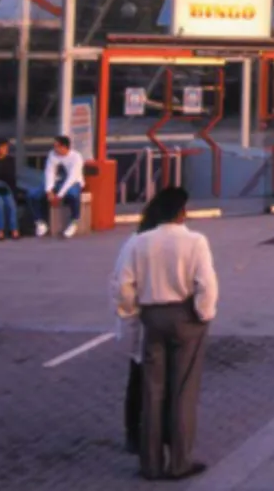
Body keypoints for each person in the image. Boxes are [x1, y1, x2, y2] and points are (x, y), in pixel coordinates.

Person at [112, 187, 219, 481]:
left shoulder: (139, 242)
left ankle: (150, 463)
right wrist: (203, 313)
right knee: (183, 390)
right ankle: (179, 462)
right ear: (181, 211)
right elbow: (206, 284)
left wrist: (131, 314)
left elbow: (123, 284)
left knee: (152, 390)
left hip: (152, 316)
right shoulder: (195, 241)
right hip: (184, 315)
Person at [112, 198, 166, 455]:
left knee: (138, 377)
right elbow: (123, 288)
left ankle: (135, 432)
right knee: (149, 379)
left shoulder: (134, 243)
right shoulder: (142, 244)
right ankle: (145, 431)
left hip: (141, 319)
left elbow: (121, 286)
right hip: (150, 319)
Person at [30, 135, 84, 238]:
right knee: (33, 195)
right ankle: (40, 221)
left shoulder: (76, 157)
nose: (55, 149)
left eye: (57, 146)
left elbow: (72, 178)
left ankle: (74, 221)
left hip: (72, 183)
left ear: (65, 147)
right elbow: (49, 172)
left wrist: (59, 195)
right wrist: (49, 190)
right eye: (54, 146)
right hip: (56, 182)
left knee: (73, 195)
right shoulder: (52, 155)